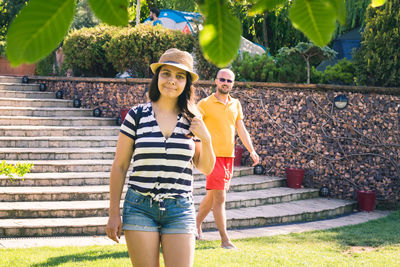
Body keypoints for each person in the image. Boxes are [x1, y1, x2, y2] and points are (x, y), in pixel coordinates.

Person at [106, 48, 215, 267]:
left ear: (186, 83)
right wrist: (113, 213)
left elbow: (206, 168)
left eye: (179, 76)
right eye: (166, 73)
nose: (172, 81)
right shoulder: (136, 116)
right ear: (157, 77)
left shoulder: (193, 119)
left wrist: (207, 139)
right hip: (139, 207)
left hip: (179, 208)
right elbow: (120, 166)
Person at [195, 68, 260, 249]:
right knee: (220, 197)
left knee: (212, 195)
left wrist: (251, 150)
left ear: (233, 84)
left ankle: (196, 223)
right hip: (211, 157)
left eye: (229, 81)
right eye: (222, 79)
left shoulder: (236, 104)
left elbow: (241, 129)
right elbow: (194, 126)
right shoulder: (204, 103)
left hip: (228, 157)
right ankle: (225, 240)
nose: (225, 83)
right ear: (215, 81)